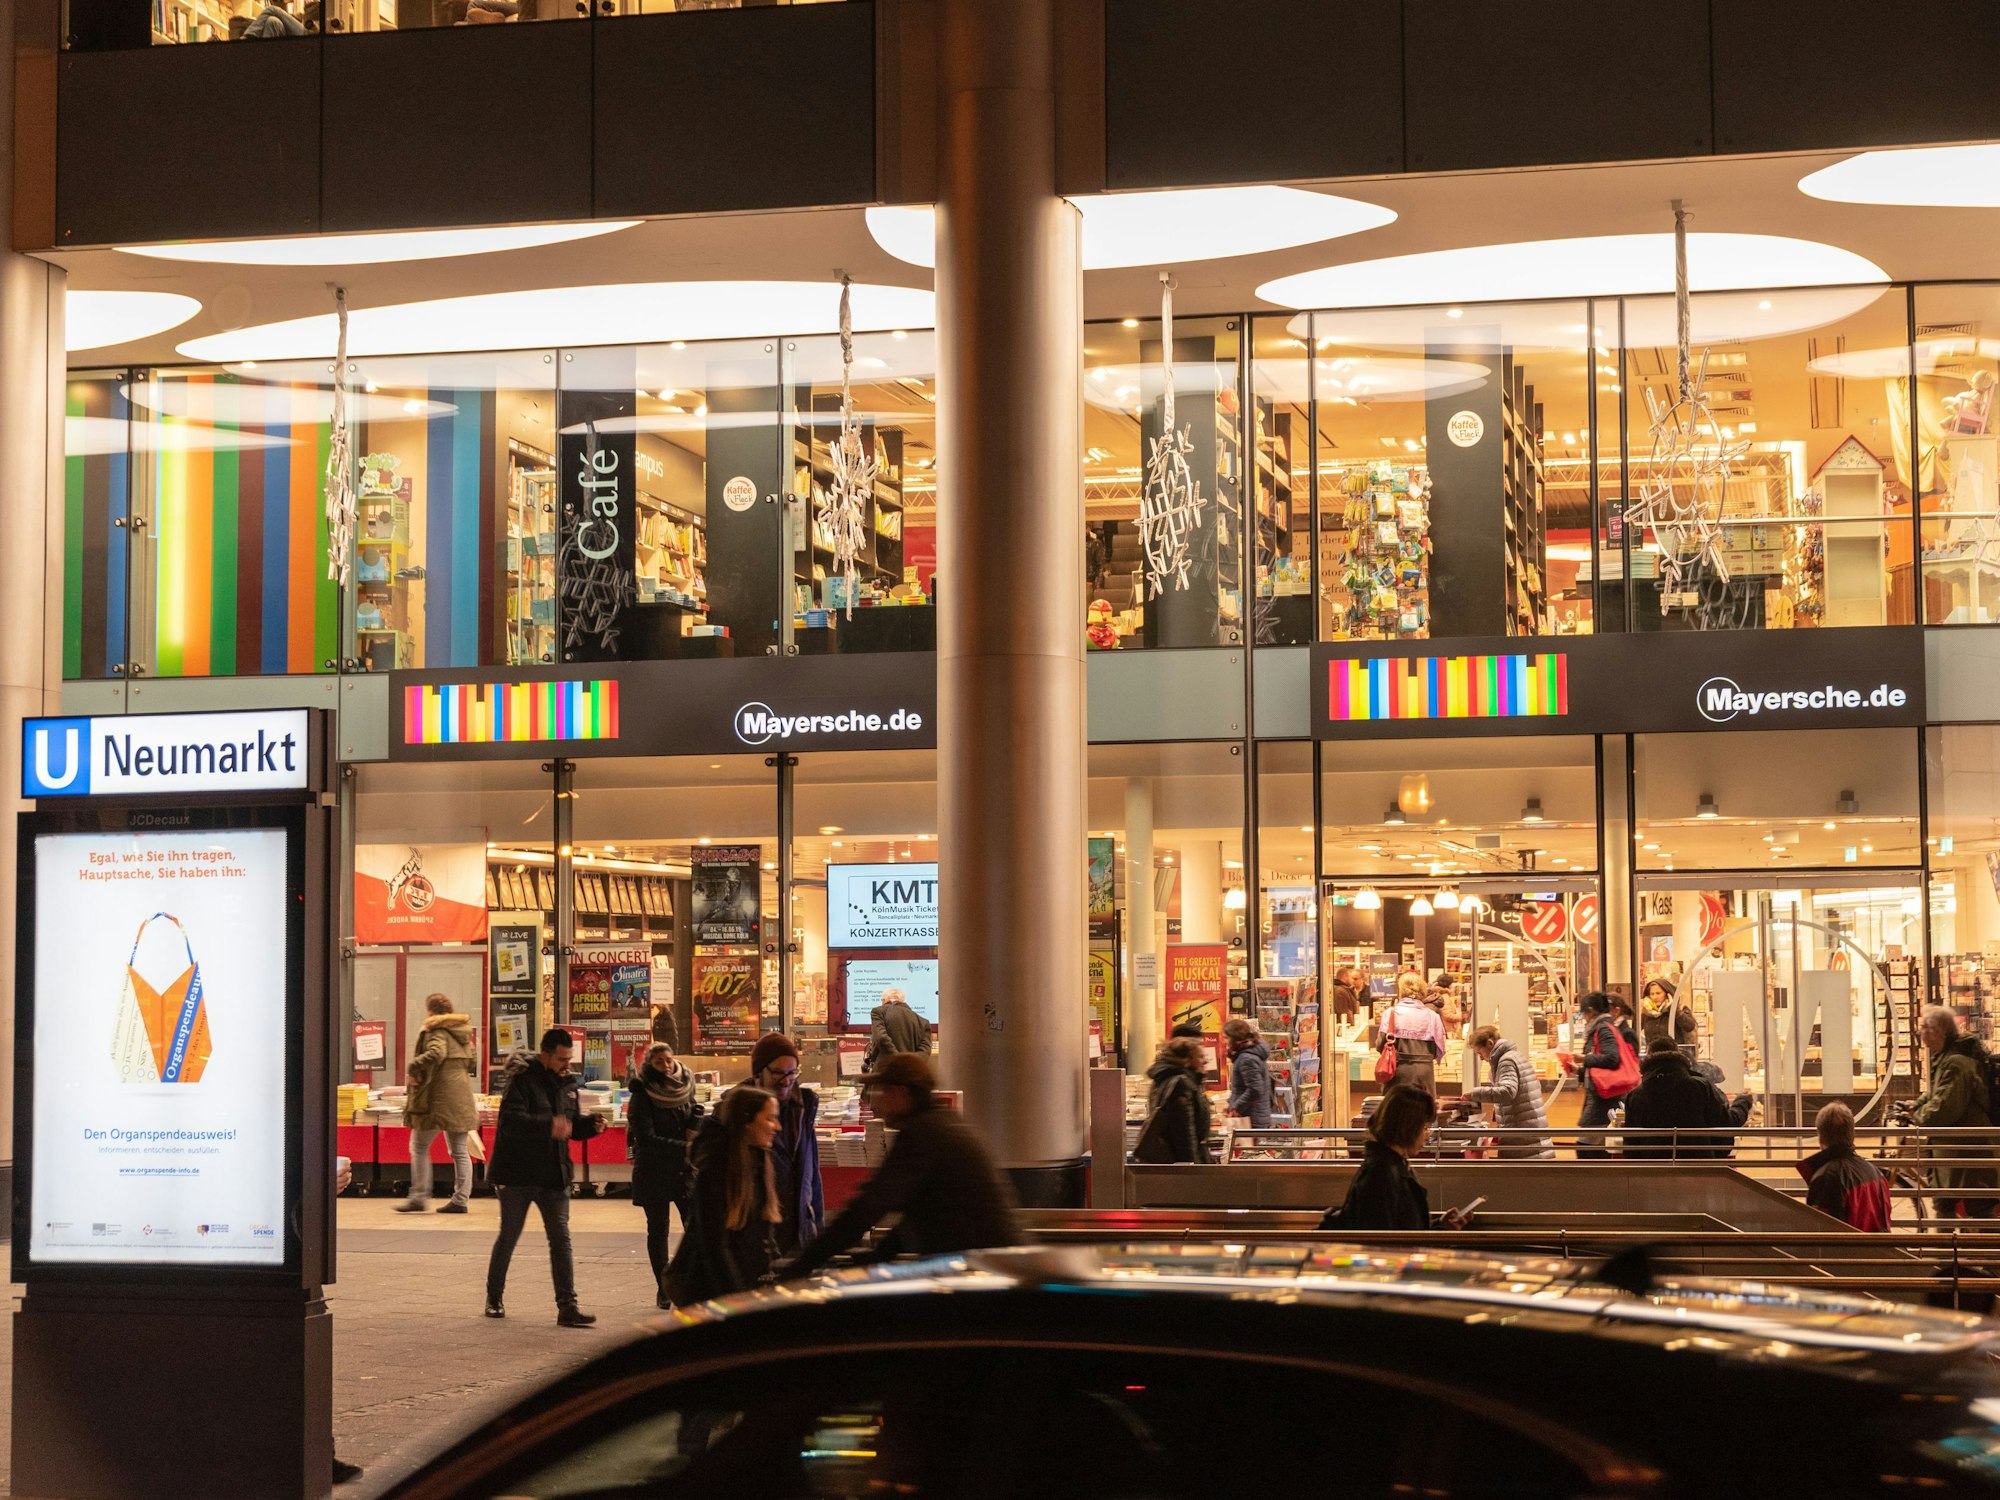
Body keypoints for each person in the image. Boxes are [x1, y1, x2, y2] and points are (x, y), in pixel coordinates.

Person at [782, 1053, 1024, 1278]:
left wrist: (804, 1264)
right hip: (989, 1267)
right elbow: (921, 1212)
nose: (875, 1103)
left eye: (880, 1091)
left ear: (900, 1093)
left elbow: (868, 1207)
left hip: (983, 1274)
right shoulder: (941, 1123)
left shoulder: (923, 1133)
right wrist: (880, 1254)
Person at [483, 1027, 604, 1325]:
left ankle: (567, 1307)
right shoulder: (522, 1080)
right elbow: (510, 1121)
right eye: (562, 1059)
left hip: (554, 1174)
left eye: (570, 1058)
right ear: (546, 1055)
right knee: (509, 1236)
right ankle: (494, 1297)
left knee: (561, 1239)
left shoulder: (569, 1083)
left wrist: (590, 1126)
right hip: (518, 1174)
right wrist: (548, 1125)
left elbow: (570, 1125)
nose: (567, 1064)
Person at [664, 1086, 783, 1304]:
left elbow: (762, 1232)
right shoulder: (716, 1169)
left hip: (743, 1287)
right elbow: (713, 1245)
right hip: (708, 1293)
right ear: (747, 1121)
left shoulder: (759, 1161)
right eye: (770, 1119)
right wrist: (737, 1299)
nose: (777, 1127)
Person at [1319, 1085, 1475, 1232]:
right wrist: (1439, 1232)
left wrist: (1441, 1226)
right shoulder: (1381, 1175)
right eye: (1424, 1127)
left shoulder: (1390, 1165)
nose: (1427, 1134)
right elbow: (1386, 1240)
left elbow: (1404, 1230)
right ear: (1408, 1127)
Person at [627, 1041, 704, 1308]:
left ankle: (689, 1282)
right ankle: (664, 1288)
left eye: (669, 1060)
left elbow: (695, 1107)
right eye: (659, 1062)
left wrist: (695, 1124)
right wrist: (685, 1146)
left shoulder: (685, 1083)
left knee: (695, 1229)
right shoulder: (642, 1093)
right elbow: (645, 1139)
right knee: (658, 1231)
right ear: (650, 1064)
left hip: (683, 1171)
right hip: (654, 1171)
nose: (666, 1066)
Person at [1911, 1006, 2000, 1219]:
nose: (1919, 1032)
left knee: (1975, 1207)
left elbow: (1943, 1109)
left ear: (1938, 1031)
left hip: (1969, 1153)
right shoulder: (1947, 1057)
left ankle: (1977, 1242)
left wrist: (1917, 1116)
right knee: (1947, 1203)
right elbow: (1937, 1092)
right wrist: (1915, 1105)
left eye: (1923, 1027)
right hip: (1958, 1153)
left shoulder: (1956, 1062)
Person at [398, 994, 477, 1214]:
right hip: (461, 1097)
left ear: (430, 1011)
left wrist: (413, 1068)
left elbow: (436, 1053)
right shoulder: (463, 1032)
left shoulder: (436, 1030)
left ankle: (419, 1197)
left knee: (419, 1146)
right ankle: (461, 1200)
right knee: (459, 1151)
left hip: (438, 1098)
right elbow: (472, 1062)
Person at [1621, 1033, 1746, 1160]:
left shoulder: (1635, 1096)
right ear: (1678, 1056)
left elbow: (1631, 1148)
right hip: (1697, 1166)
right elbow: (1725, 1125)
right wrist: (1742, 1103)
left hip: (1653, 1168)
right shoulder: (1700, 1087)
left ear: (1647, 1060)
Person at [1458, 1024, 1552, 1159]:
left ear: (1490, 1044)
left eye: (1480, 1053)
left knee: (1519, 1170)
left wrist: (1475, 1094)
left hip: (1522, 1135)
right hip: (1529, 1130)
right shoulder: (1514, 1056)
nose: (1481, 1058)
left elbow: (1507, 1091)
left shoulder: (1506, 1061)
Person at [1800, 1101, 1891, 1232]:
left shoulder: (1825, 1178)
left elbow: (1820, 1233)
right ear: (1852, 1135)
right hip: (1877, 1245)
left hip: (1849, 1246)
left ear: (1820, 1137)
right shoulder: (1875, 1173)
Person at [1566, 990, 1629, 1159]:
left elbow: (1612, 1058)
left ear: (1591, 1011)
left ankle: (1596, 1175)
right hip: (1602, 1093)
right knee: (1594, 1142)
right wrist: (1579, 1071)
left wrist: (1584, 1058)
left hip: (1604, 1095)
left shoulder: (1603, 1029)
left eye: (1584, 1013)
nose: (1584, 1018)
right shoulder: (1604, 1027)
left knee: (1587, 1144)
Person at [1133, 1036, 1213, 1164]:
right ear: (1187, 1060)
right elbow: (1184, 1132)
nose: (1205, 1061)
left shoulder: (1165, 1078)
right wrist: (1192, 1167)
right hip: (1179, 1163)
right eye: (1200, 1057)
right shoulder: (1181, 1084)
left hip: (1170, 1162)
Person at [1375, 975, 1446, 1095]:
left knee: (1396, 1105)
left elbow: (1380, 1045)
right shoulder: (1432, 1016)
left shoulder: (1391, 1013)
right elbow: (1437, 1050)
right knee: (1424, 1104)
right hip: (1424, 1073)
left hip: (1397, 1072)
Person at [863, 986, 932, 1072]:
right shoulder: (923, 1021)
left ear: (884, 1000)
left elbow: (881, 1038)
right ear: (902, 1001)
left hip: (885, 1073)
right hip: (911, 1075)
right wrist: (909, 1066)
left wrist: (898, 1060)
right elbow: (925, 1052)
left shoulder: (878, 1011)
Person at [1223, 1018, 1273, 1128]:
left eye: (1226, 1037)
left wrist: (1236, 1108)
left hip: (1250, 1120)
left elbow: (1255, 1089)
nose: (1224, 1041)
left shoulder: (1246, 1058)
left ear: (1235, 1038)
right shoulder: (1249, 1053)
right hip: (1254, 1117)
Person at [1639, 977, 1697, 1051]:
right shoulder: (1646, 1013)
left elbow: (1689, 1026)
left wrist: (1673, 1009)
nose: (1655, 997)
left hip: (1674, 1054)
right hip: (1653, 1055)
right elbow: (1636, 1030)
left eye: (1658, 993)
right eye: (1652, 994)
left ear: (1667, 994)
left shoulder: (1680, 1009)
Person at [239, 0, 305, 35]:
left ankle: (248, 36)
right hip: (303, 25)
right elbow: (301, 16)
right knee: (272, 21)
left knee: (272, 9)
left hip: (309, 33)